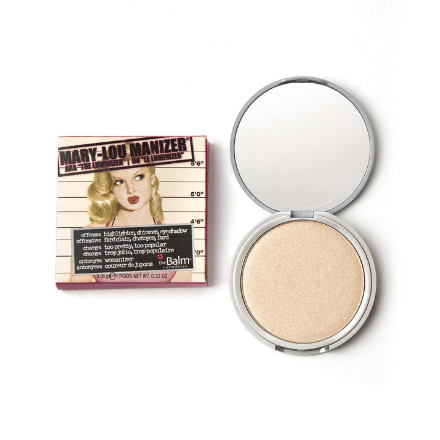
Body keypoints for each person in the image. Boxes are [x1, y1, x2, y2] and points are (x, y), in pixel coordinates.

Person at [70, 164, 192, 283]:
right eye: (119, 182)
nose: (131, 189)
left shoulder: (178, 239)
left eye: (138, 177)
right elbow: (77, 292)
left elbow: (184, 293)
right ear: (109, 188)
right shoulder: (89, 236)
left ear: (152, 180)